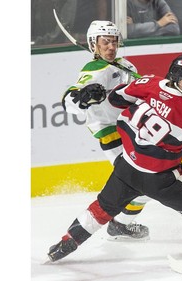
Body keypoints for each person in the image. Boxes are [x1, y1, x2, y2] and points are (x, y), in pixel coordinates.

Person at [48, 54, 182, 264]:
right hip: (163, 180)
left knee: (100, 209)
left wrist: (151, 97)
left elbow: (117, 98)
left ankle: (65, 243)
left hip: (126, 169)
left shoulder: (150, 83)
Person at [61, 20, 151, 240]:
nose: (111, 47)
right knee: (142, 182)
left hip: (131, 130)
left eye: (114, 41)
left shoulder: (128, 66)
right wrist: (83, 97)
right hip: (110, 133)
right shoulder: (93, 70)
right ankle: (118, 224)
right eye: (105, 42)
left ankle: (119, 225)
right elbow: (68, 102)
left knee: (146, 184)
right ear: (94, 44)